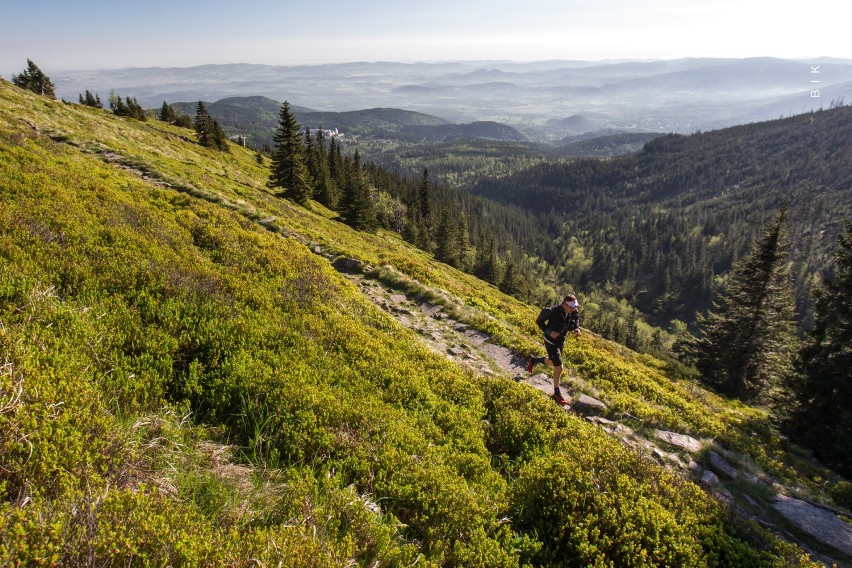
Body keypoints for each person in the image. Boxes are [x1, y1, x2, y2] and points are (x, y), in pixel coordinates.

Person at [527, 294, 581, 405]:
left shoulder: (573, 311)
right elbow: (539, 321)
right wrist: (549, 332)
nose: (574, 309)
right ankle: (556, 393)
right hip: (551, 341)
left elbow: (576, 319)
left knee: (552, 362)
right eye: (571, 307)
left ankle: (533, 360)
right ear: (565, 304)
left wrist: (576, 328)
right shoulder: (552, 311)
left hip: (561, 341)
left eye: (574, 307)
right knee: (559, 367)